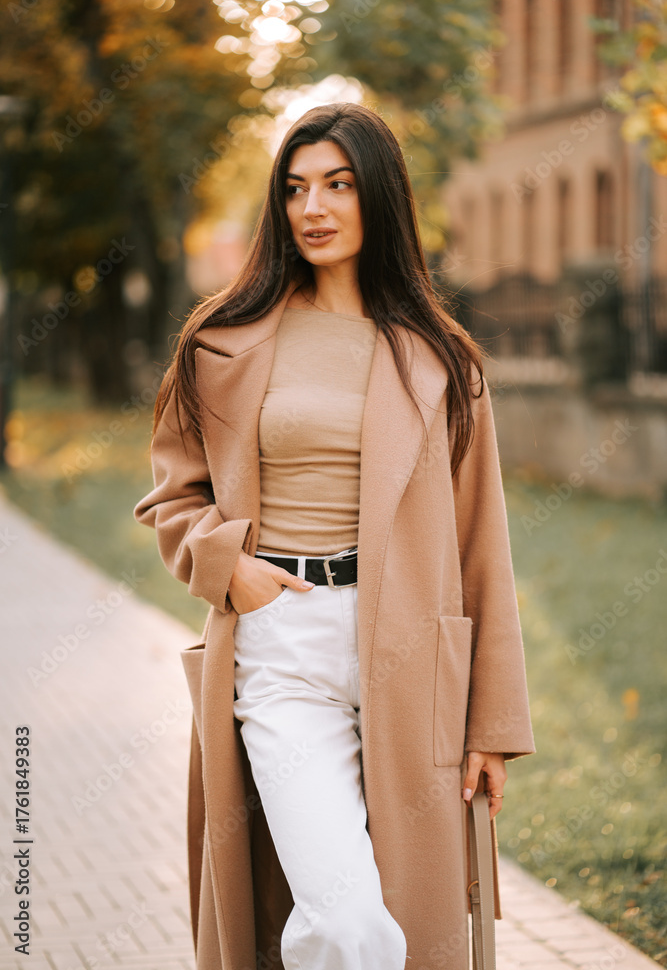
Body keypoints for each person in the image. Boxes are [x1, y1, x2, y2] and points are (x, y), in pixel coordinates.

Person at [134, 101, 535, 970]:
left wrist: (492, 723)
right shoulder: (223, 343)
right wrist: (230, 569)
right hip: (283, 648)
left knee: (408, 921)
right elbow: (171, 497)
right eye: (295, 188)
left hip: (411, 658)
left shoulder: (442, 361)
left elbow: (481, 547)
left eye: (338, 185)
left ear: (378, 198)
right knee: (348, 924)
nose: (312, 208)